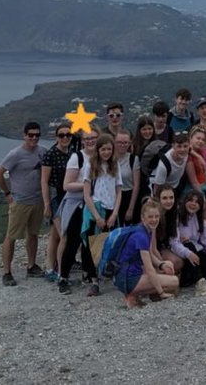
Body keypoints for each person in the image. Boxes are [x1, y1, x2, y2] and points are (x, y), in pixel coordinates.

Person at [0, 121, 46, 286]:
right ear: (24, 135)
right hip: (20, 201)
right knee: (12, 237)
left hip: (38, 200)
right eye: (31, 135)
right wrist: (7, 193)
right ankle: (7, 272)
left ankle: (31, 265)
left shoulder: (43, 151)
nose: (34, 138)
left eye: (37, 135)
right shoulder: (16, 154)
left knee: (33, 234)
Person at [113, 199, 180, 309]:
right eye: (150, 217)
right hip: (128, 278)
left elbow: (150, 255)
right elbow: (149, 269)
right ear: (143, 217)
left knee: (168, 265)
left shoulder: (142, 230)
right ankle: (132, 294)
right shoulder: (141, 236)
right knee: (174, 281)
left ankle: (140, 294)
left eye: (156, 216)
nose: (154, 220)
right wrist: (161, 292)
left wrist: (162, 265)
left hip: (125, 275)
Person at [56, 129, 99, 294]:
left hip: (93, 204)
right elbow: (67, 185)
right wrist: (88, 185)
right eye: (87, 138)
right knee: (73, 242)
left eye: (94, 138)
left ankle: (89, 274)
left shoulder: (101, 157)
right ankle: (63, 278)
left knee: (90, 241)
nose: (90, 141)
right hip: (76, 204)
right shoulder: (77, 158)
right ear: (82, 141)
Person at [79, 134, 120, 296]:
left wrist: (115, 213)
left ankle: (108, 274)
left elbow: (119, 191)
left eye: (109, 149)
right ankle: (94, 280)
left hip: (110, 209)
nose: (106, 152)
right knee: (91, 245)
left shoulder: (114, 166)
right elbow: (87, 194)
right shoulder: (91, 166)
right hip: (95, 209)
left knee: (109, 245)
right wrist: (96, 216)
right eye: (103, 149)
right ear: (98, 150)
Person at [38, 122, 73, 281]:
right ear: (56, 137)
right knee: (64, 236)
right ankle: (61, 273)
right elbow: (44, 182)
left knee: (54, 235)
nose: (65, 138)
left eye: (68, 135)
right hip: (55, 199)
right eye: (62, 135)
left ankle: (50, 268)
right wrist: (46, 205)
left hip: (67, 198)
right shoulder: (50, 155)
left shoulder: (71, 153)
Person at [150, 130, 192, 197]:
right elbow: (157, 188)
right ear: (173, 146)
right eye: (179, 146)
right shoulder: (163, 165)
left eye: (185, 146)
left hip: (175, 186)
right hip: (163, 189)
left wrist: (199, 158)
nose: (182, 150)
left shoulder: (186, 154)